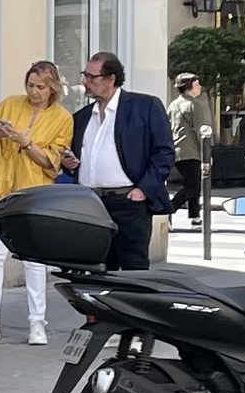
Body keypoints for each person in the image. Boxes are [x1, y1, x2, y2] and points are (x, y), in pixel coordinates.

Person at [0, 61, 74, 344]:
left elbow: (53, 163)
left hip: (34, 191)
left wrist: (26, 143)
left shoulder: (62, 118)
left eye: (41, 87)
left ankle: (37, 322)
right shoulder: (10, 104)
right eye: (30, 85)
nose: (34, 92)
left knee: (34, 259)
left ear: (53, 89)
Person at [62, 51, 175, 270]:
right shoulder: (82, 116)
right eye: (84, 75)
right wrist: (71, 164)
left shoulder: (144, 107)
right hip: (92, 203)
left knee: (133, 269)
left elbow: (164, 153)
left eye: (91, 77)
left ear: (111, 79)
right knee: (98, 268)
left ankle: (134, 305)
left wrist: (143, 189)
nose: (85, 82)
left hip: (128, 201)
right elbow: (79, 159)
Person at [167, 73, 207, 225]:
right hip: (191, 150)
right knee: (192, 185)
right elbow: (200, 130)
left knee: (193, 183)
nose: (199, 87)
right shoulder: (194, 105)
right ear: (189, 88)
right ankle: (169, 209)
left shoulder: (173, 105)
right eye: (196, 85)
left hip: (177, 148)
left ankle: (195, 216)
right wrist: (206, 152)